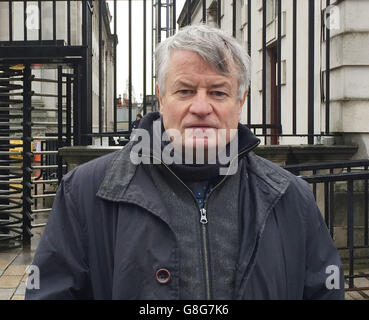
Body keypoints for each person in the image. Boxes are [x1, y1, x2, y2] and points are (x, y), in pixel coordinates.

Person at [26, 25, 344, 300]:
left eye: (218, 92)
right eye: (185, 91)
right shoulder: (85, 192)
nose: (201, 107)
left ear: (240, 101)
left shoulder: (291, 197)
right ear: (162, 97)